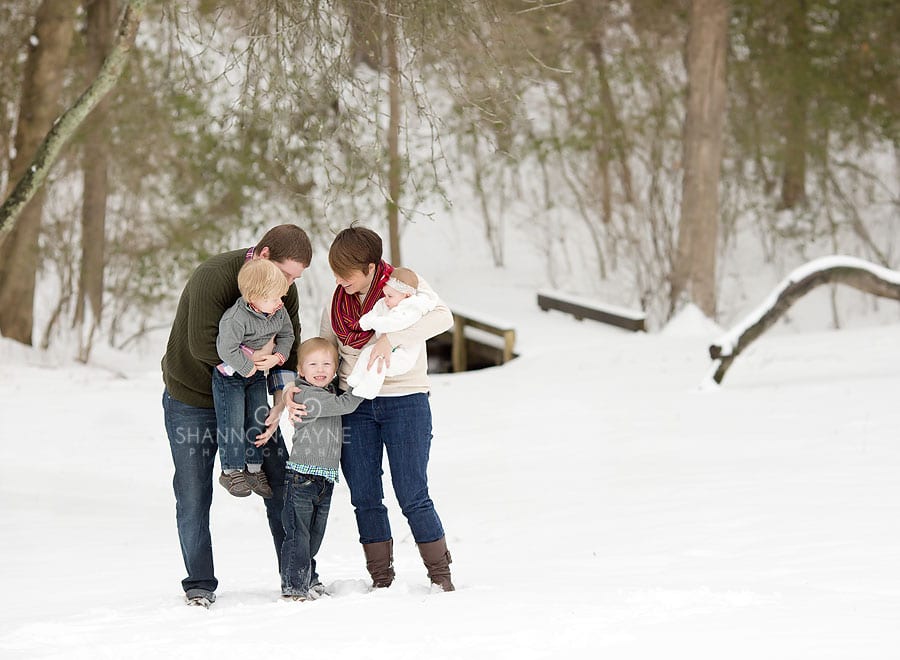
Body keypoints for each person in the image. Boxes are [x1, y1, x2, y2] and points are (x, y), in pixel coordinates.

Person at [290, 225, 456, 591]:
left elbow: (443, 317)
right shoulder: (337, 302)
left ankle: (440, 578)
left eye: (345, 273)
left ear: (369, 268)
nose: (338, 280)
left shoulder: (403, 285)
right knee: (365, 495)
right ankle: (382, 580)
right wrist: (297, 389)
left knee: (412, 493)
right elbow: (323, 352)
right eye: (334, 272)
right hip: (356, 404)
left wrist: (391, 339)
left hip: (406, 401)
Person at [161, 224, 311, 608]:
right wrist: (252, 362)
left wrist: (279, 400)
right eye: (288, 274)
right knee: (193, 493)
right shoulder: (214, 276)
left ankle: (298, 577)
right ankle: (199, 584)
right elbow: (202, 345)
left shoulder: (282, 292)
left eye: (296, 278)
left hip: (252, 395)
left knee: (278, 479)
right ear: (263, 256)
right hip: (192, 397)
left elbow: (288, 343)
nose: (291, 285)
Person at [281, 338, 364, 601]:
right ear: (301, 371)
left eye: (327, 364)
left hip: (323, 479)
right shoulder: (307, 396)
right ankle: (295, 587)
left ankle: (308, 578)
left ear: (336, 368)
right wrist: (366, 382)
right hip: (302, 478)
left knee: (313, 536)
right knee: (299, 535)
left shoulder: (326, 393)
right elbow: (346, 404)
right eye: (313, 364)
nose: (320, 369)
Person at [214, 258, 294, 499]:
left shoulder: (278, 312)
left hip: (258, 374)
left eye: (281, 297)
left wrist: (276, 357)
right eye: (274, 298)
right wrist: (248, 368)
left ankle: (253, 468)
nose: (280, 302)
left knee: (257, 417)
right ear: (254, 298)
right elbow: (225, 349)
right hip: (231, 376)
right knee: (234, 420)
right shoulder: (236, 318)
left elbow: (287, 336)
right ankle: (231, 470)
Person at [345, 266, 437, 399]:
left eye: (390, 296)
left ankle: (369, 389)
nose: (386, 299)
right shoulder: (389, 303)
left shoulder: (412, 308)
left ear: (406, 295)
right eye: (385, 295)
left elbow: (394, 324)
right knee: (368, 353)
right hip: (389, 349)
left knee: (379, 364)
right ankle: (357, 377)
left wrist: (374, 322)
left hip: (404, 354)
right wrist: (365, 321)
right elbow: (376, 311)